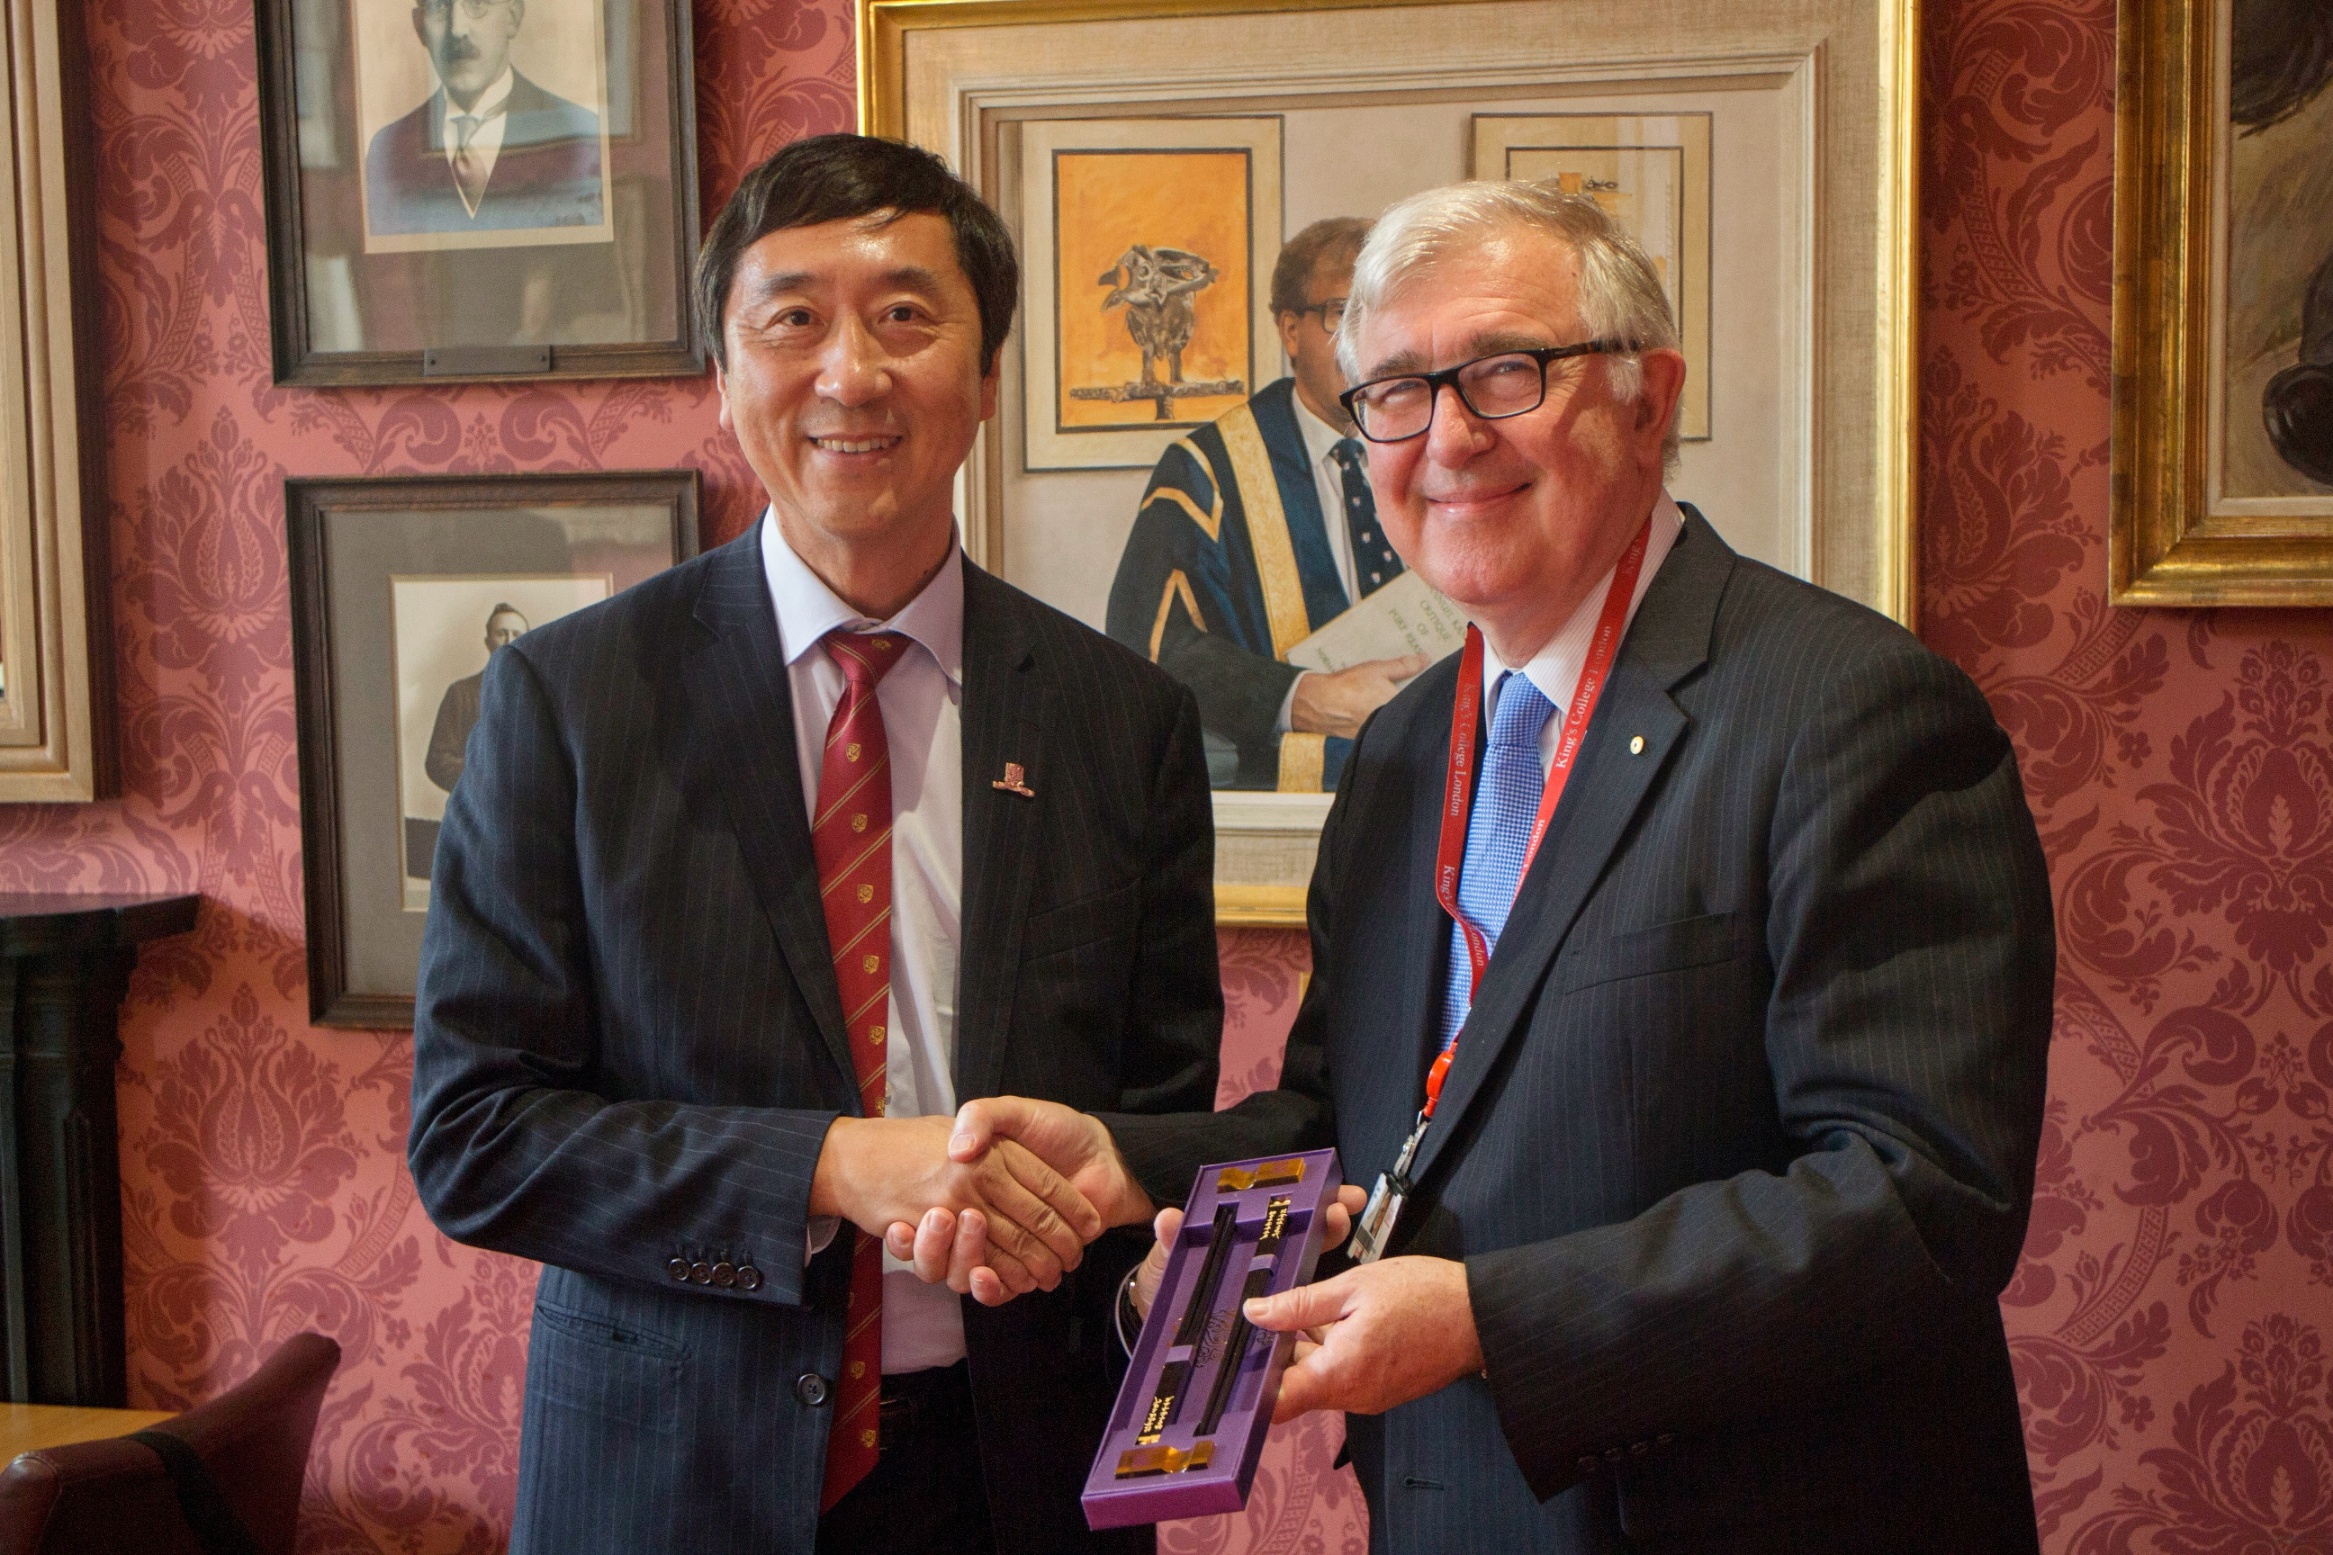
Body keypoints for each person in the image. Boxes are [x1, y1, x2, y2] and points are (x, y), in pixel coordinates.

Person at [1004, 179, 2052, 1548]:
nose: (1446, 436)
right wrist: (1132, 1165)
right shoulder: (1396, 749)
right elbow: (1359, 1116)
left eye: (1506, 372)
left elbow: (1920, 1196)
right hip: (1454, 1507)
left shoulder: (1848, 709)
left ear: (1645, 396)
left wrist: (1488, 1315)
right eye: (1393, 389)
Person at [407, 134, 1323, 1555]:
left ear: (986, 373)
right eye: (793, 320)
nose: (850, 373)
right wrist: (833, 1163)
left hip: (1016, 1473)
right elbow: (476, 1136)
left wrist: (1110, 1198)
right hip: (670, 1475)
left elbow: (1157, 1123)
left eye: (906, 315)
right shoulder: (569, 703)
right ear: (724, 375)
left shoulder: (1121, 718)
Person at [1105, 218, 1426, 791]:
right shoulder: (1208, 471)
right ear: (1290, 329)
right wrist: (1299, 698)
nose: (1364, 343)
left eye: (1380, 317)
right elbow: (1146, 645)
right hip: (1282, 805)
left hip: (1433, 787)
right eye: (1340, 315)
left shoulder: (1434, 447)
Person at [365, 0, 604, 238]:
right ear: (419, 27)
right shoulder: (389, 150)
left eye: (477, 3)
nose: (457, 30)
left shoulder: (582, 137)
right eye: (439, 7)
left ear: (513, 16)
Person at [423, 602, 528, 793]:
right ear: (488, 642)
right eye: (501, 634)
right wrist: (487, 774)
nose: (509, 641)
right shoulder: (461, 693)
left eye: (517, 635)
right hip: (479, 809)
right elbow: (438, 760)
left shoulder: (543, 694)